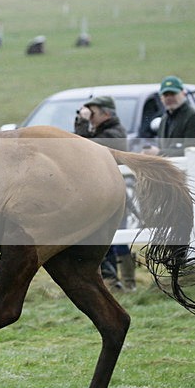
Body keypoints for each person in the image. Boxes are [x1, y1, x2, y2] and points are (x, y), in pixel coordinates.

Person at [74, 96, 135, 291]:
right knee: (106, 241)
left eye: (93, 113)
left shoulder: (114, 134)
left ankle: (126, 283)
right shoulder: (103, 131)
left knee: (117, 242)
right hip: (106, 196)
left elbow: (81, 148)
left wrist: (82, 123)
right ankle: (114, 283)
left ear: (106, 113)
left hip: (112, 197)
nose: (89, 118)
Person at [141, 75, 195, 158]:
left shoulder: (194, 117)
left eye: (173, 94)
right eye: (165, 95)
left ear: (183, 93)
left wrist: (159, 153)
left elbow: (193, 151)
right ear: (161, 98)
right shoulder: (164, 119)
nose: (169, 98)